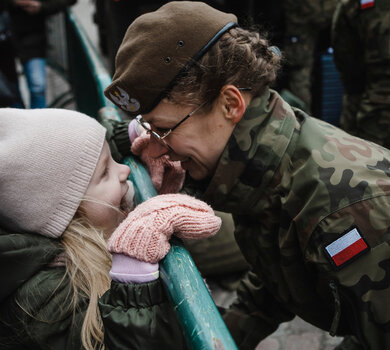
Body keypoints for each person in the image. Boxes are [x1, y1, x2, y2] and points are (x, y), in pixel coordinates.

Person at [104, 2, 390, 349]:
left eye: (164, 129)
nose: (159, 149)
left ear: (230, 104)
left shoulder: (345, 209)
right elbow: (279, 273)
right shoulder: (258, 168)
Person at [0, 108, 222, 349]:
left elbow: (76, 165)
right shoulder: (43, 304)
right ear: (69, 214)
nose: (125, 170)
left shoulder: (50, 225)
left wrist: (132, 134)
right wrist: (134, 271)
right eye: (106, 172)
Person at [331, 0, 390, 149]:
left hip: (374, 106)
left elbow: (346, 58)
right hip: (373, 103)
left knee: (366, 162)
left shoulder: (353, 5)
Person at [5, 0, 77, 108]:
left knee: (37, 86)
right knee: (9, 94)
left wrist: (42, 7)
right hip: (5, 42)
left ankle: (37, 120)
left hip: (32, 38)